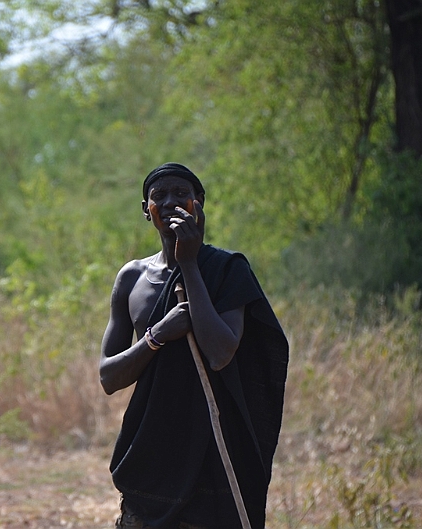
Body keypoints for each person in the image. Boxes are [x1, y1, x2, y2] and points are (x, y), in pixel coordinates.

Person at [99, 163, 289, 529]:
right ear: (145, 210)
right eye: (159, 196)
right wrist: (157, 335)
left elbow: (220, 353)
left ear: (198, 204)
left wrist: (189, 263)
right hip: (154, 445)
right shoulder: (132, 278)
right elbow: (109, 377)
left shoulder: (228, 269)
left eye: (181, 194)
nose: (170, 202)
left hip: (216, 449)